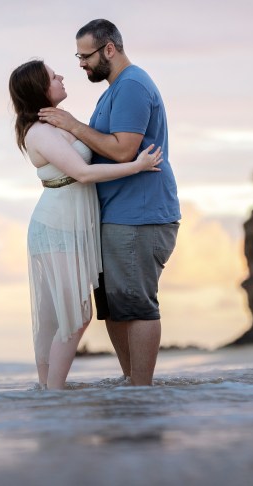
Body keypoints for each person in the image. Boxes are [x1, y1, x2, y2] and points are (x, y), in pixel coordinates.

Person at [38, 19, 180, 386]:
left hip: (139, 214)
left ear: (109, 50)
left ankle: (141, 389)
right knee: (115, 307)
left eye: (85, 56)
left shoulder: (131, 86)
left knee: (135, 303)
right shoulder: (114, 90)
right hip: (118, 214)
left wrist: (73, 125)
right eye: (78, 57)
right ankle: (131, 383)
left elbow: (123, 150)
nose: (81, 64)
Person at [9, 59, 164, 390]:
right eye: (53, 76)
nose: (62, 76)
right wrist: (136, 166)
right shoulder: (39, 132)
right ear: (39, 88)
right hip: (56, 228)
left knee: (66, 314)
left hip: (75, 225)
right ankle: (53, 393)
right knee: (73, 316)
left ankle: (49, 392)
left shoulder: (60, 125)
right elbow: (82, 173)